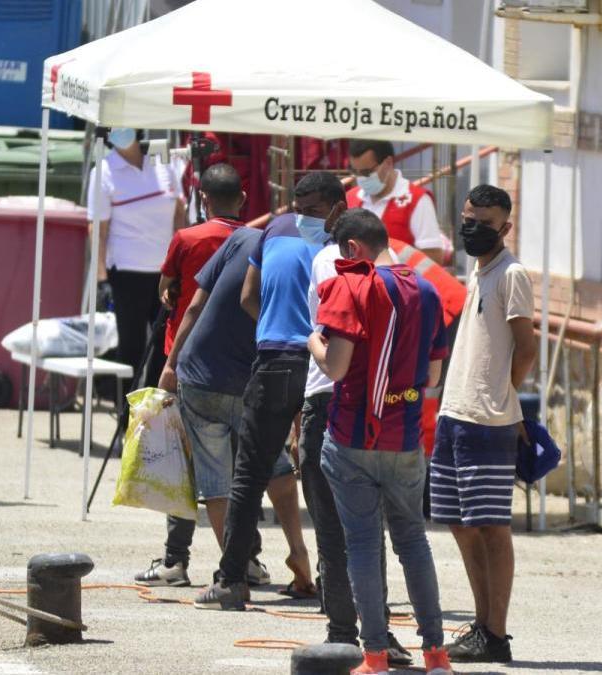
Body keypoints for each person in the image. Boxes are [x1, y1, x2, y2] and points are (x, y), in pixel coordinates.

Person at [133, 164, 314, 595]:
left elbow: (192, 307)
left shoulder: (241, 240)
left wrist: (170, 365)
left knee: (217, 481)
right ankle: (299, 555)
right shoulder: (310, 262)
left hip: (204, 374)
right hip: (257, 376)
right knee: (276, 468)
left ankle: (239, 570)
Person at [308, 208, 452, 675]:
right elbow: (431, 376)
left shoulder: (350, 287)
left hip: (351, 437)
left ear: (352, 249)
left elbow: (335, 367)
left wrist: (312, 339)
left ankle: (374, 656)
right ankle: (436, 654)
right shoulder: (428, 291)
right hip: (406, 437)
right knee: (414, 542)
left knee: (364, 546)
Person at [194, 172, 344, 610]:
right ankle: (333, 588)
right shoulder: (345, 242)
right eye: (302, 210)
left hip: (276, 361)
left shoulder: (274, 228)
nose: (304, 219)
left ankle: (231, 581)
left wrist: (273, 328)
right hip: (321, 365)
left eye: (311, 211)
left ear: (337, 205)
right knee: (320, 478)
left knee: (250, 474)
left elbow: (247, 296)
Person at [431, 185, 537, 664]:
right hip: (454, 414)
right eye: (468, 218)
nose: (472, 227)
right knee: (459, 523)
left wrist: (504, 393)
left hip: (487, 421)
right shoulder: (478, 271)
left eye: (484, 222)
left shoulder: (512, 274)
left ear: (505, 227)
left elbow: (527, 347)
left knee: (492, 526)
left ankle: (496, 633)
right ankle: (481, 625)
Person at [299, 219, 412, 665]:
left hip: (336, 400)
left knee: (337, 529)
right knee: (374, 533)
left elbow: (335, 358)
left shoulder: (335, 263)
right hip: (380, 407)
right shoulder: (402, 273)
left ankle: (348, 632)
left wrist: (310, 341)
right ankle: (378, 634)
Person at [87, 127, 186, 391]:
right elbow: (98, 230)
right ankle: (125, 420)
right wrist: (101, 279)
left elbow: (179, 215)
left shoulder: (164, 164)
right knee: (131, 349)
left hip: (165, 274)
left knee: (165, 347)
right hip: (127, 273)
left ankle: (150, 416)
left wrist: (181, 264)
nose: (122, 131)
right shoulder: (104, 172)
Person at [346, 140, 447, 264]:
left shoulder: (417, 201)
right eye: (355, 172)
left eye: (367, 172)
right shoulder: (350, 198)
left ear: (388, 163)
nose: (361, 178)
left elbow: (433, 257)